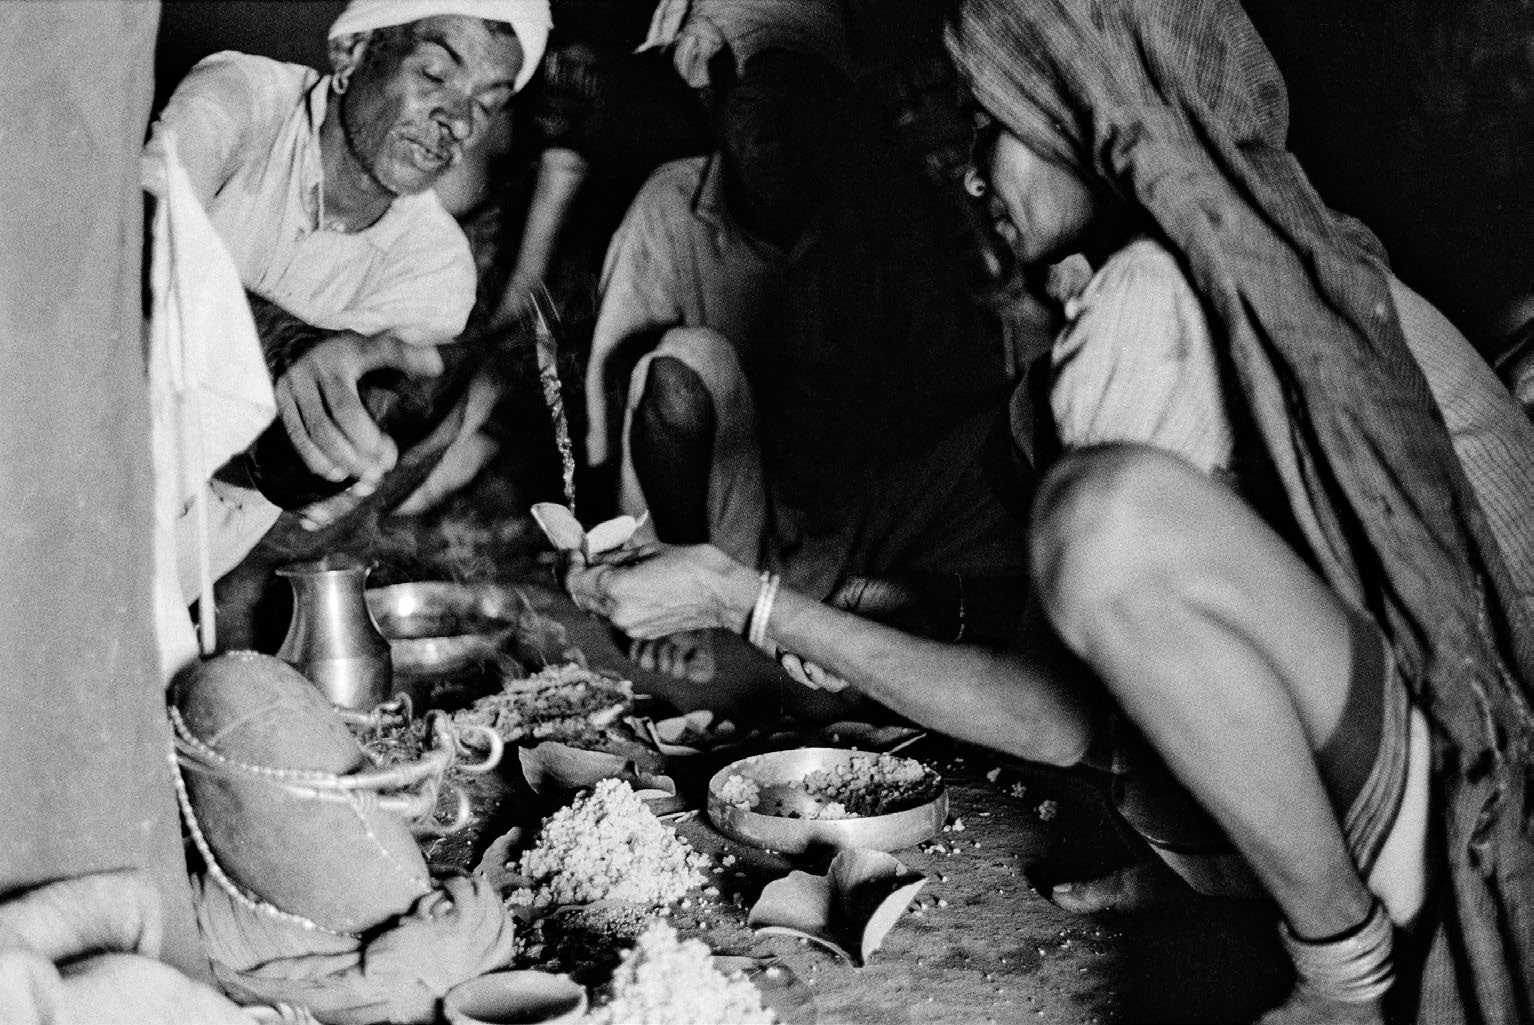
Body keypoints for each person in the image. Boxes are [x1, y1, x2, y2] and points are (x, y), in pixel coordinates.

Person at [566, 1, 1534, 1021]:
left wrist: (748, 598)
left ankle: (1343, 962)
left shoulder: (1148, 295)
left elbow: (1047, 713)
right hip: (1461, 724)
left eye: (997, 129)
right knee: (1074, 581)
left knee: (1099, 521)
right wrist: (875, 613)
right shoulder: (1250, 253)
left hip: (1488, 797)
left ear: (1089, 129)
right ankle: (1238, 877)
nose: (975, 173)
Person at [583, 48, 1028, 683]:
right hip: (717, 516)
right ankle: (686, 602)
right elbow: (620, 384)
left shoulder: (880, 211)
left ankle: (862, 609)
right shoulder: (670, 201)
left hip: (844, 524)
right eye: (753, 110)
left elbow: (948, 396)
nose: (773, 135)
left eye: (800, 113)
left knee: (1012, 428)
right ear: (716, 106)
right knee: (686, 358)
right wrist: (610, 553)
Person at [145, 0, 551, 599]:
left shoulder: (435, 270)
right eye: (435, 75)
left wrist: (335, 465)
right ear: (351, 52)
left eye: (488, 103)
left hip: (181, 560)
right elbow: (134, 228)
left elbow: (289, 461)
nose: (460, 123)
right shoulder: (244, 99)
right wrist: (280, 345)